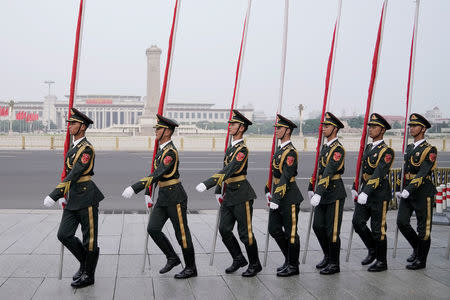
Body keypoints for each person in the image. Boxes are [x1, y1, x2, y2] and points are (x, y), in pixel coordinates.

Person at [122, 114, 197, 279]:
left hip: (175, 196)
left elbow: (157, 173)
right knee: (153, 229)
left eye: (159, 129)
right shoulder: (162, 150)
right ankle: (172, 257)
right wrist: (149, 193)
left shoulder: (170, 152)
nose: (156, 131)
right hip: (164, 196)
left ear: (168, 132)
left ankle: (191, 268)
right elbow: (155, 175)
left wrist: (135, 188)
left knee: (181, 234)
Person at [196, 110, 262, 277]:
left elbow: (230, 169)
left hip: (242, 195)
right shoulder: (231, 148)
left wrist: (208, 184)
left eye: (233, 124)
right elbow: (225, 172)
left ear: (241, 128)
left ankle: (255, 264)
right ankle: (238, 258)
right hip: (229, 194)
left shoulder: (242, 150)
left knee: (245, 234)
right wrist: (219, 190)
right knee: (224, 229)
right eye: (230, 124)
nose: (230, 126)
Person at [43, 108, 104, 288]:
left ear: (83, 127)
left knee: (89, 239)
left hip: (86, 196)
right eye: (69, 123)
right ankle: (86, 264)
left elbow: (75, 173)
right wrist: (64, 194)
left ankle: (89, 275)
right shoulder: (74, 147)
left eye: (73, 124)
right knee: (64, 234)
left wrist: (56, 194)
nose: (69, 126)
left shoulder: (87, 149)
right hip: (72, 196)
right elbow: (68, 173)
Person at [351, 113, 394, 272]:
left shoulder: (387, 151)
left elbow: (379, 174)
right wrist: (357, 185)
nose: (370, 129)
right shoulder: (368, 147)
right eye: (369, 126)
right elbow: (362, 170)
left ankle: (382, 262)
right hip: (365, 192)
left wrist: (366, 191)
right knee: (357, 222)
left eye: (374, 127)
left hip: (378, 194)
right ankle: (372, 249)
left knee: (378, 228)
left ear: (382, 130)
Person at [396, 113, 437, 270]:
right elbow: (404, 168)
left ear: (423, 128)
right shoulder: (410, 147)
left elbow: (423, 172)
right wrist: (398, 187)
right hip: (407, 190)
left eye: (414, 126)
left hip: (422, 192)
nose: (411, 128)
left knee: (423, 228)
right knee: (402, 222)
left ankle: (421, 260)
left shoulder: (429, 149)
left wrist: (408, 189)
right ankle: (417, 247)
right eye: (410, 126)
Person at [308, 112, 346, 275]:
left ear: (335, 129)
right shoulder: (325, 147)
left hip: (334, 193)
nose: (324, 128)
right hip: (322, 192)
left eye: (327, 126)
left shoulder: (338, 149)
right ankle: (327, 254)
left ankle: (334, 263)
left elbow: (330, 171)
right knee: (317, 226)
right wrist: (311, 186)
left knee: (333, 231)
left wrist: (319, 192)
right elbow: (319, 169)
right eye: (323, 125)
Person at [266, 114, 303, 276]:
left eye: (279, 128)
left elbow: (286, 177)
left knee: (291, 232)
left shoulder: (290, 152)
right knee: (274, 229)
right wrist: (268, 190)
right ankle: (289, 258)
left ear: (287, 131)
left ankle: (293, 266)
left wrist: (276, 197)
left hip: (289, 197)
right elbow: (274, 174)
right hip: (278, 196)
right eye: (276, 128)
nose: (276, 131)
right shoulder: (280, 150)